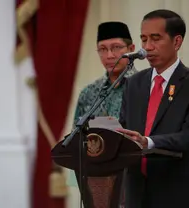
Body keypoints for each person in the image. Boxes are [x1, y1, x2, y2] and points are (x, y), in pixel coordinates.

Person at [117, 9, 189, 208]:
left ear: (177, 42)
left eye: (155, 38)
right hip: (136, 193)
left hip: (178, 193)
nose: (147, 47)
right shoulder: (134, 83)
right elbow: (124, 127)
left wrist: (148, 142)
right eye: (143, 39)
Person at [67, 21, 138, 187]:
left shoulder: (145, 87)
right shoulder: (90, 92)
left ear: (131, 48)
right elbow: (76, 137)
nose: (110, 56)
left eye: (116, 47)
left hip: (135, 175)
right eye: (103, 49)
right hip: (98, 176)